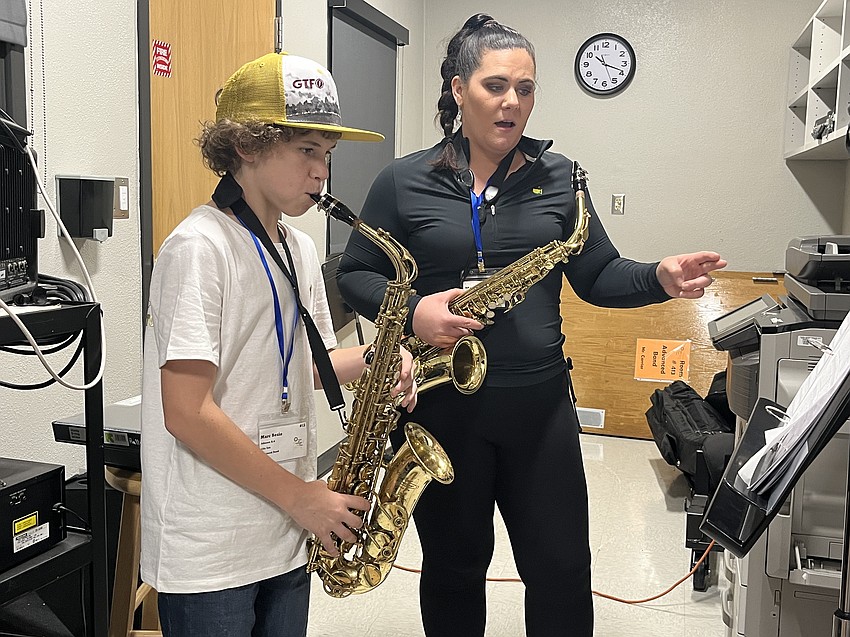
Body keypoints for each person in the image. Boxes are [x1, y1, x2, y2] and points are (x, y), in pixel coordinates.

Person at [336, 14, 727, 637]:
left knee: (561, 569)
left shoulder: (561, 177)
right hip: (440, 409)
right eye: (495, 86)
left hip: (540, 409)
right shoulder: (402, 180)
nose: (512, 102)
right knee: (454, 568)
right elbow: (354, 272)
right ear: (459, 89)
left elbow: (598, 274)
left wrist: (659, 276)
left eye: (525, 88)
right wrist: (413, 310)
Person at [140, 52, 417, 637]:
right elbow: (185, 412)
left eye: (328, 154)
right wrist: (301, 497)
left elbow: (310, 364)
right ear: (247, 145)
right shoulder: (199, 247)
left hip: (287, 532)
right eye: (307, 150)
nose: (322, 173)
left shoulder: (298, 247)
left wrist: (378, 359)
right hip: (215, 546)